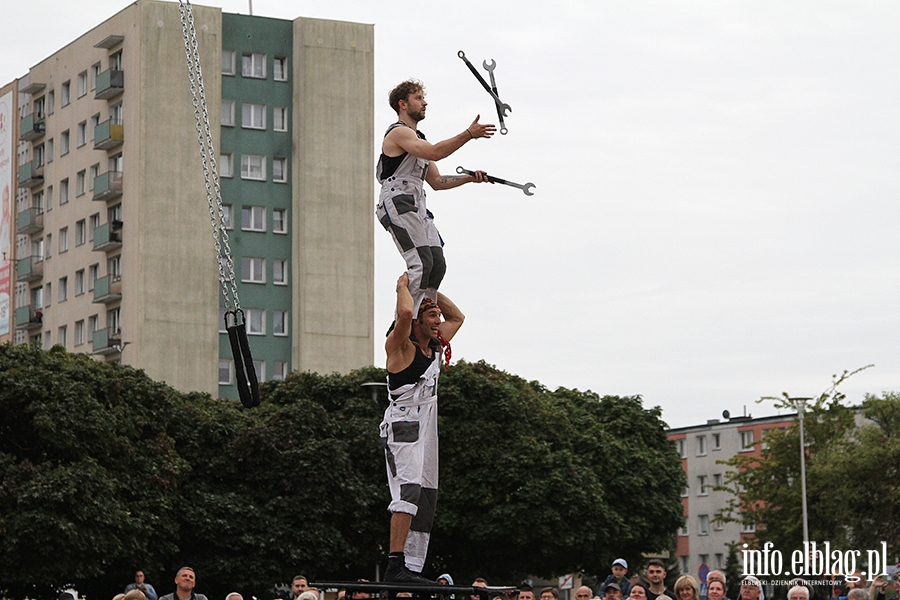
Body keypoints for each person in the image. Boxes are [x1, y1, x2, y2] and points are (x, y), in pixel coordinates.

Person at [376, 79, 495, 314]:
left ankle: (424, 318)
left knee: (437, 265)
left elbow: (437, 182)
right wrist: (469, 134)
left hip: (417, 204)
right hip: (398, 201)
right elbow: (435, 152)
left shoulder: (417, 139)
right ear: (402, 104)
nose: (425, 102)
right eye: (418, 98)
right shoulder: (399, 133)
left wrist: (470, 178)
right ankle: (405, 323)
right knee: (420, 263)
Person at [381, 273, 465, 583]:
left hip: (423, 426)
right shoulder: (400, 348)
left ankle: (409, 564)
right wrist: (406, 287)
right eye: (432, 316)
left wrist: (432, 289)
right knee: (408, 490)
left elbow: (458, 316)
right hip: (404, 426)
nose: (439, 320)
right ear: (417, 322)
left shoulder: (435, 346)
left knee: (423, 493)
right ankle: (394, 565)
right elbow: (404, 312)